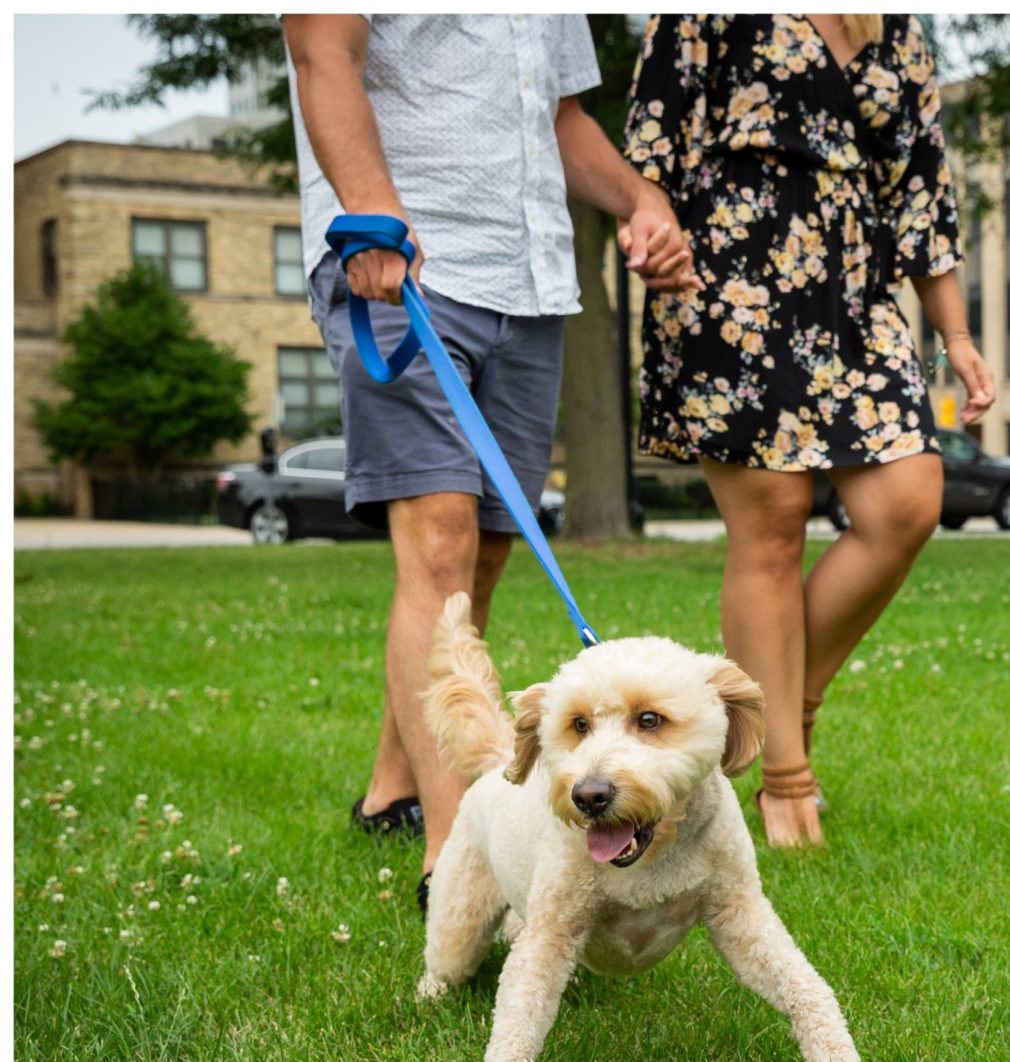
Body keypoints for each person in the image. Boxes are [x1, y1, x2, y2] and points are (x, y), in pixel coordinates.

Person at [283, 15, 698, 908]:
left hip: (530, 273)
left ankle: (395, 781)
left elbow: (560, 118)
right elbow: (323, 51)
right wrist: (368, 207)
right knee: (439, 541)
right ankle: (451, 857)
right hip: (401, 261)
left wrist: (642, 202)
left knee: (488, 549)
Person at [624, 14, 994, 848]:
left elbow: (923, 193)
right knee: (774, 523)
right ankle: (785, 781)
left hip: (858, 292)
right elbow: (652, 141)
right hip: (729, 276)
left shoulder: (895, 26)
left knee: (908, 501)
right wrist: (652, 233)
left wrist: (958, 340)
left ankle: (779, 711)